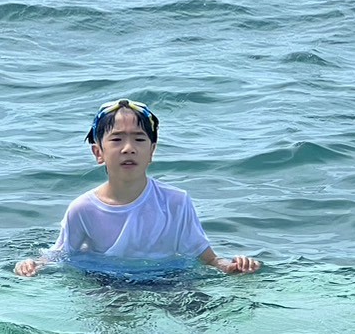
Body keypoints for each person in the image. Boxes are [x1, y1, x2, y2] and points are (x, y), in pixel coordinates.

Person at [14, 99, 261, 277]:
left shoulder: (176, 202)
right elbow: (60, 254)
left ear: (152, 151)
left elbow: (207, 258)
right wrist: (32, 265)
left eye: (139, 139)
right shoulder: (83, 209)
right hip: (108, 284)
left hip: (169, 281)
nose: (128, 148)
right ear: (98, 152)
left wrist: (232, 266)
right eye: (117, 139)